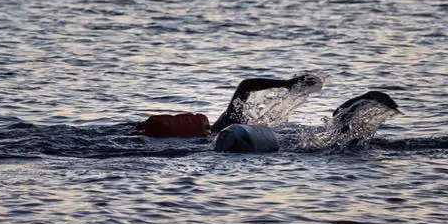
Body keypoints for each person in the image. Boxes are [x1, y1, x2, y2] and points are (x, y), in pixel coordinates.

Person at [137, 74, 323, 138]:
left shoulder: (225, 124)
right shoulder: (226, 128)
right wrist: (287, 83)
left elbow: (246, 86)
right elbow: (245, 85)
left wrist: (287, 83)